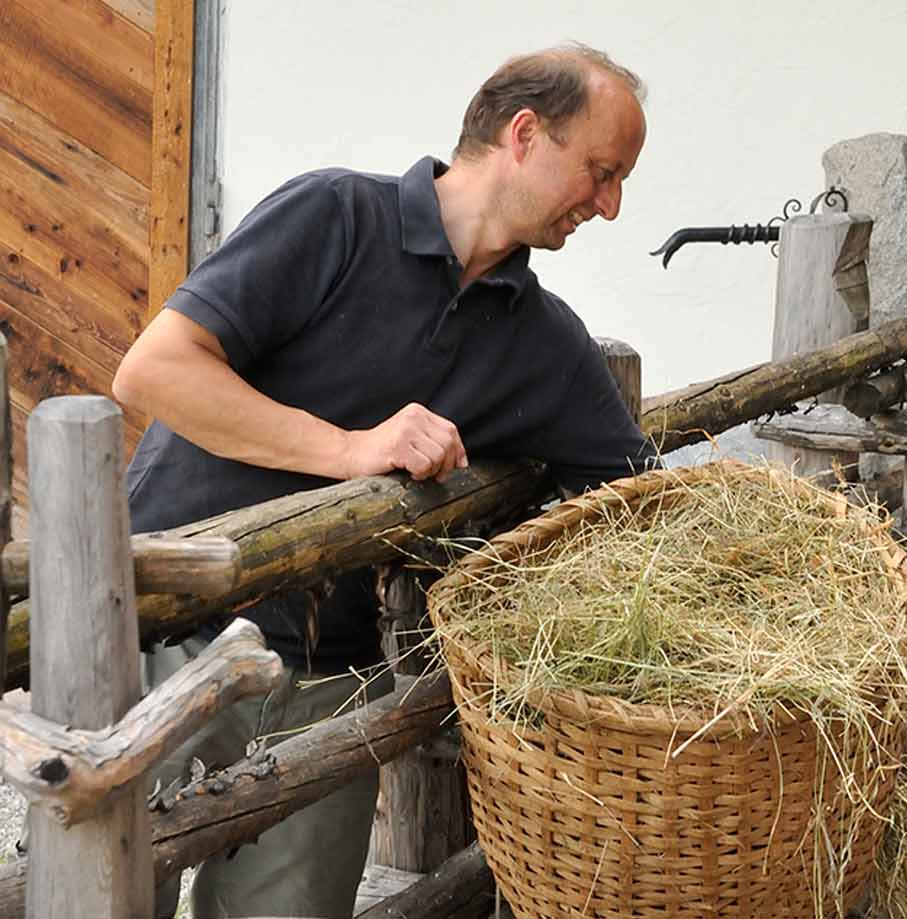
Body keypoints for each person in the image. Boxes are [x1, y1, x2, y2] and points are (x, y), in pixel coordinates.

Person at [111, 43, 657, 919]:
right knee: (102, 899)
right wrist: (351, 449)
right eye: (601, 171)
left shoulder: (547, 343)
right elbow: (153, 372)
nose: (612, 205)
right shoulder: (333, 214)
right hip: (167, 639)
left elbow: (645, 504)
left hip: (334, 681)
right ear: (524, 134)